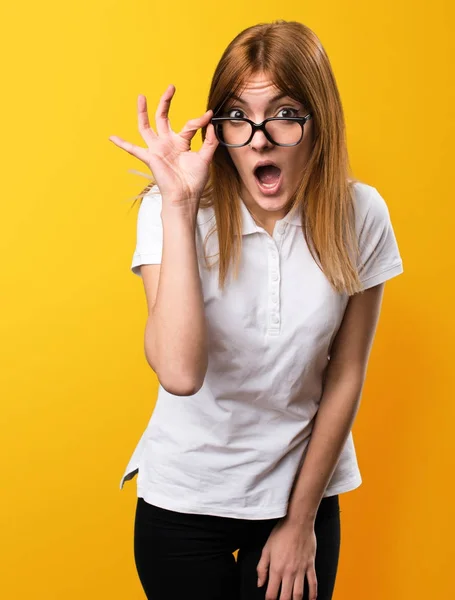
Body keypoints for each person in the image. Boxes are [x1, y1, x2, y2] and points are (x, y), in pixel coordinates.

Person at [109, 19, 404, 600]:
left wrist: (298, 523)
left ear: (321, 121)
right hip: (187, 500)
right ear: (218, 127)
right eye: (238, 117)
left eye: (286, 114)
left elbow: (344, 374)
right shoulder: (169, 207)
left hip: (301, 494)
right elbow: (179, 373)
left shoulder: (361, 214)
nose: (260, 138)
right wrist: (177, 205)